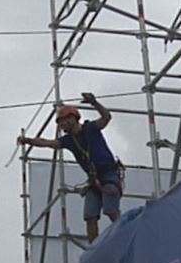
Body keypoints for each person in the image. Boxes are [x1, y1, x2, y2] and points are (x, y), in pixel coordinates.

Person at [17, 92, 122, 243]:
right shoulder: (69, 140)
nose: (63, 124)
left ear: (74, 118)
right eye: (61, 121)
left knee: (111, 209)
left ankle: (123, 233)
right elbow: (47, 143)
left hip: (108, 174)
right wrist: (27, 140)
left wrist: (94, 103)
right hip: (95, 180)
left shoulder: (90, 128)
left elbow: (106, 117)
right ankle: (94, 249)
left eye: (65, 120)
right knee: (90, 216)